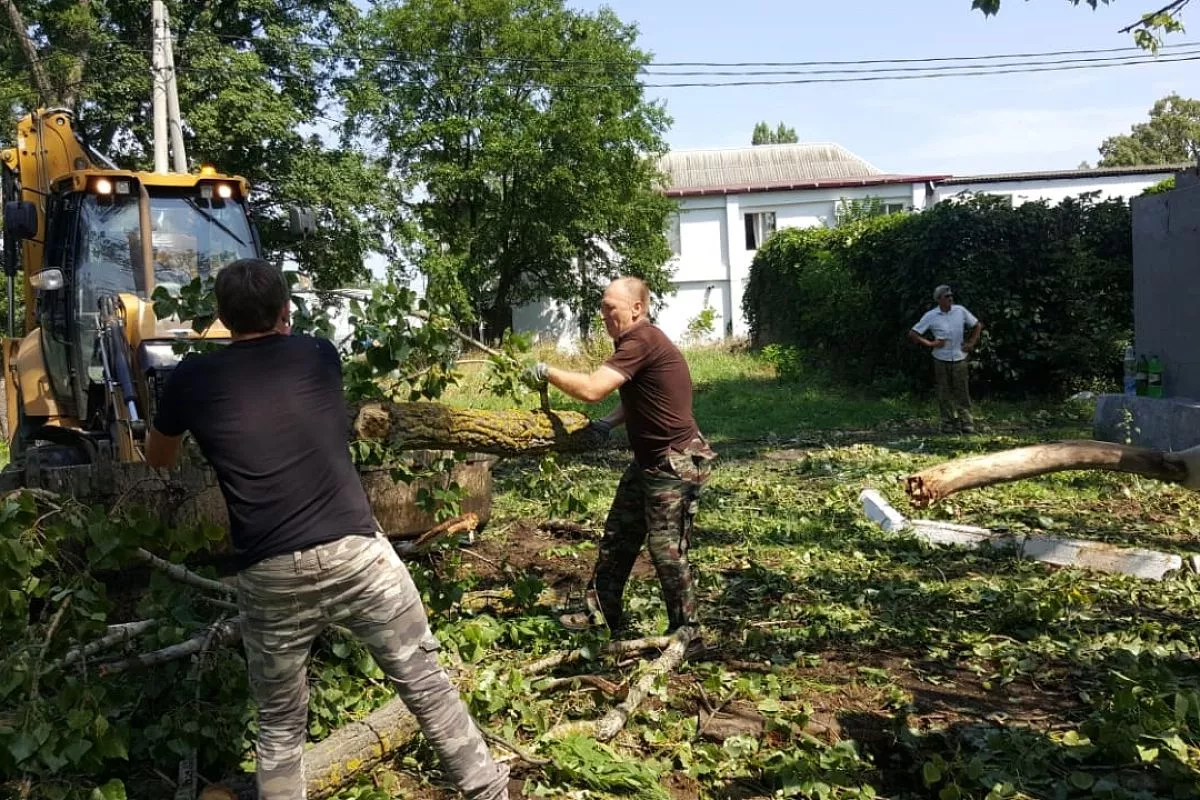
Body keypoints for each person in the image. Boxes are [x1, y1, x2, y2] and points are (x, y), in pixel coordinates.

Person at [145, 259, 508, 800]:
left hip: (269, 571)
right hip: (357, 555)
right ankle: (488, 792)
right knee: (425, 683)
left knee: (279, 724)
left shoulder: (191, 377)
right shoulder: (318, 354)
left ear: (219, 317)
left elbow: (159, 458)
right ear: (286, 311)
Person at [522, 276, 715, 636]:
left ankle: (687, 632)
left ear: (637, 308)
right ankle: (601, 616)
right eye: (602, 306)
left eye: (611, 307)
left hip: (674, 462)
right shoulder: (636, 341)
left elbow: (594, 389)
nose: (604, 313)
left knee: (665, 550)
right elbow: (641, 398)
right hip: (648, 461)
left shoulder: (641, 339)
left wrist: (548, 371)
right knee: (618, 537)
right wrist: (607, 424)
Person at [908, 284, 983, 434]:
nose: (950, 298)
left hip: (960, 357)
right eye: (946, 296)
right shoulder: (931, 316)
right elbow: (913, 333)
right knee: (944, 391)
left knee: (962, 390)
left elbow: (977, 325)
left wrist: (971, 343)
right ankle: (947, 422)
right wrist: (930, 344)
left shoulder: (960, 311)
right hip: (940, 358)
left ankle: (966, 422)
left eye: (951, 296)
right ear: (939, 299)